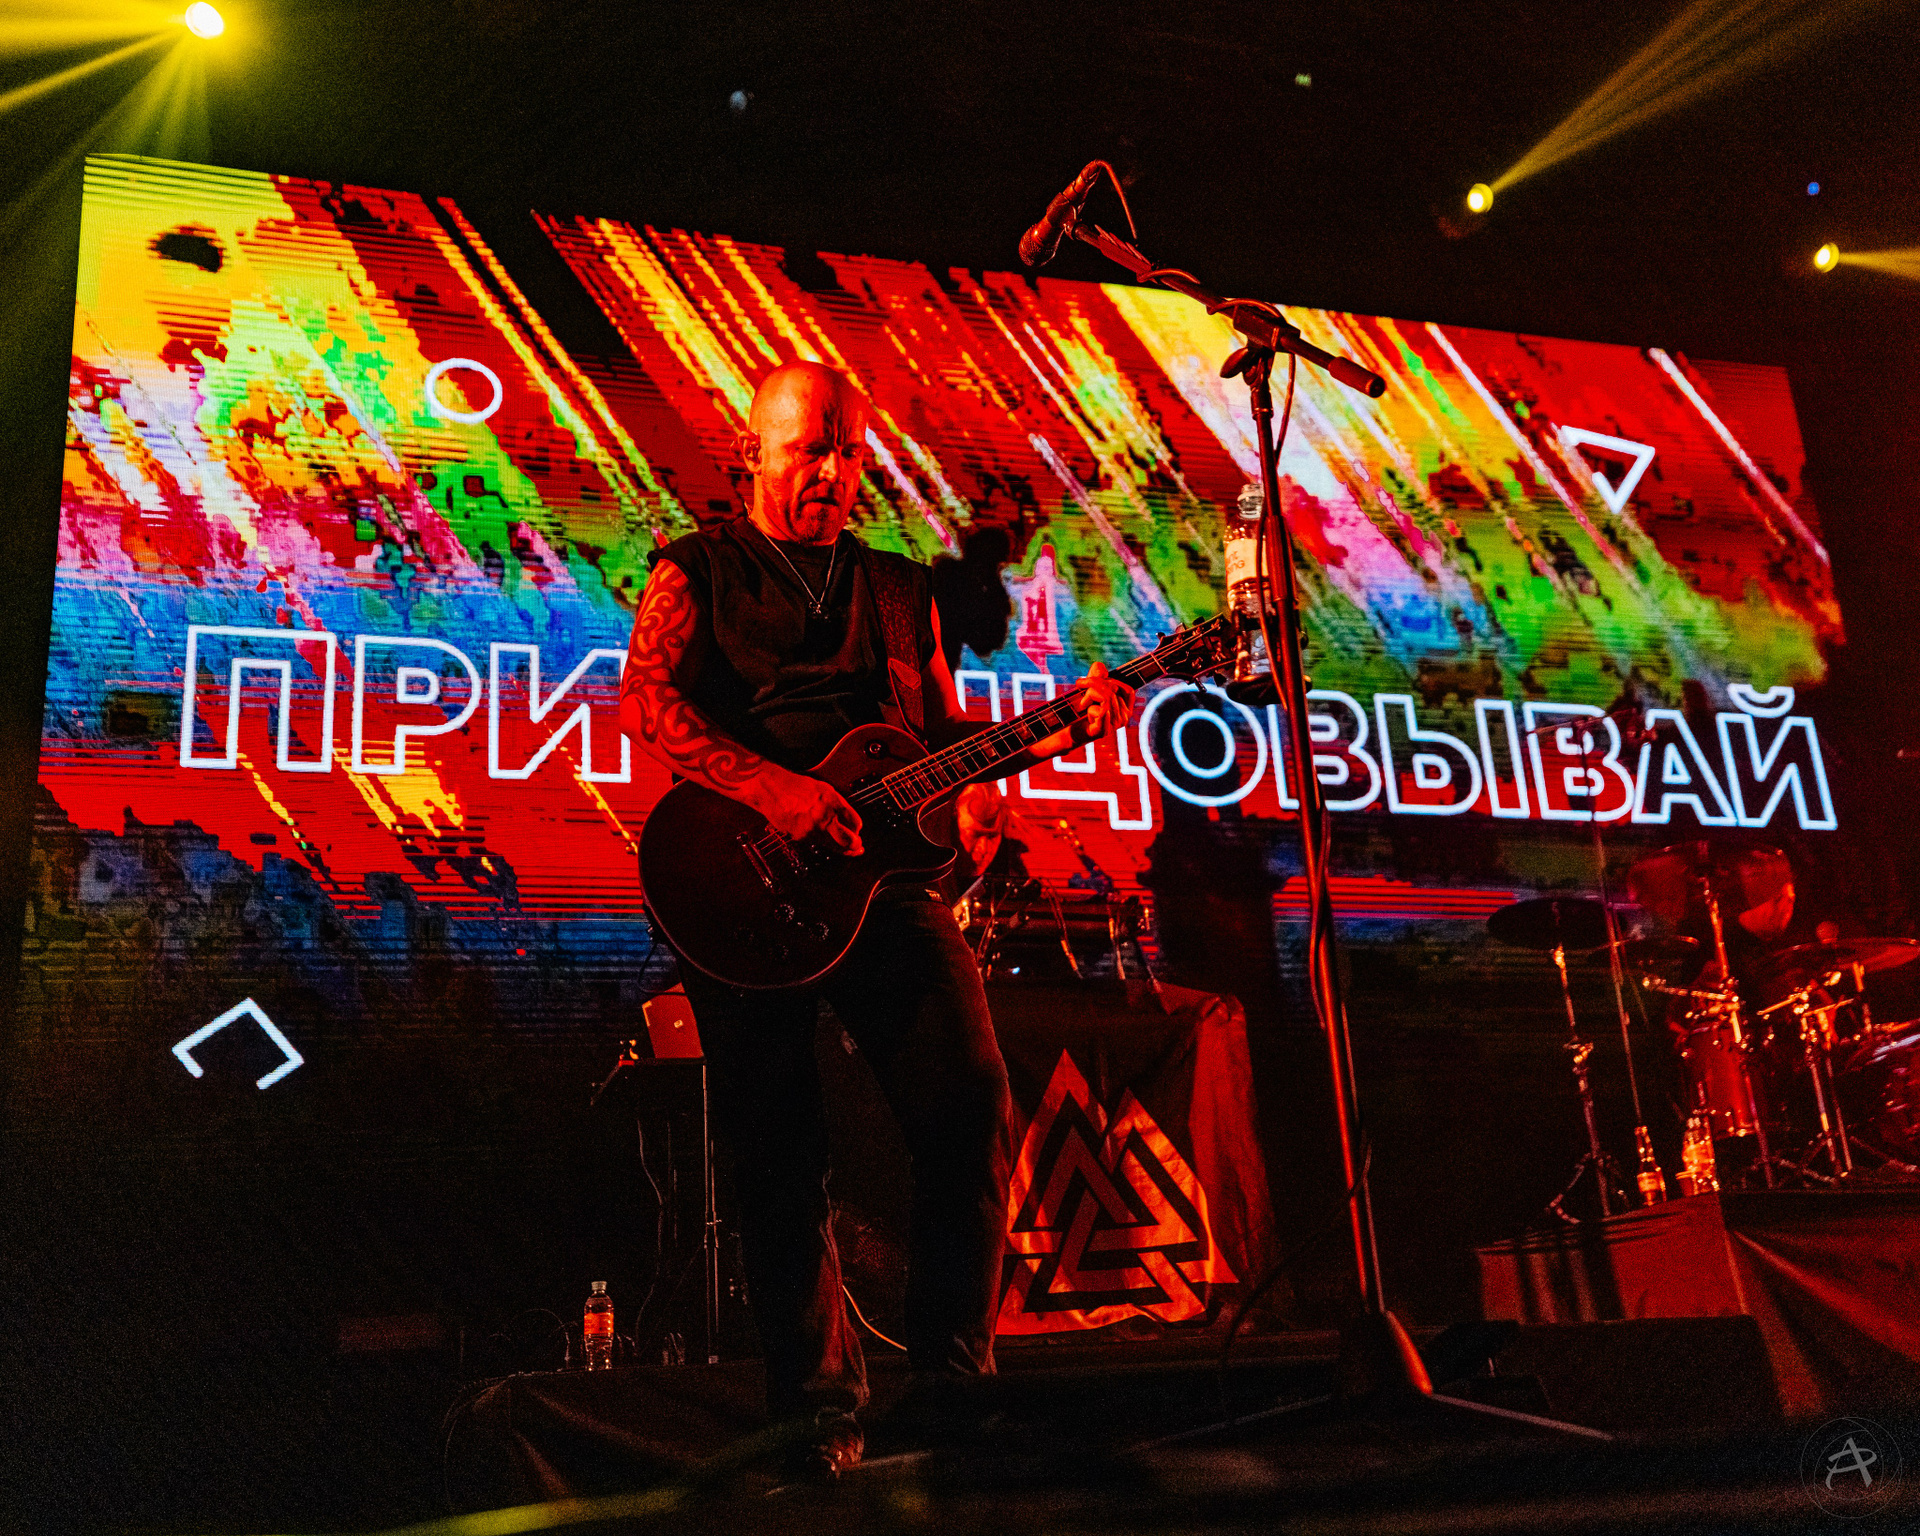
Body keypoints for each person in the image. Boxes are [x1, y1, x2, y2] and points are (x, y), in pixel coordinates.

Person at [618, 361, 1132, 1481]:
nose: (833, 472)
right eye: (811, 449)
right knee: (779, 1150)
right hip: (741, 876)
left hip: (884, 885)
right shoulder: (697, 568)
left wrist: (1043, 741)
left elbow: (942, 741)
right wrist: (776, 790)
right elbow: (647, 704)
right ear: (753, 454)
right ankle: (816, 1414)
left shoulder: (898, 590)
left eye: (849, 452)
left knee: (971, 1101)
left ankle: (951, 1384)